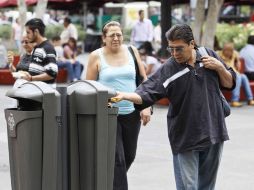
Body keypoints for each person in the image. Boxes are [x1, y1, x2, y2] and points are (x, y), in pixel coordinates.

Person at [112, 24, 236, 190]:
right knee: (188, 187)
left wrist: (220, 67)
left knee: (207, 186)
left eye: (179, 49)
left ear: (192, 44)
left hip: (214, 131)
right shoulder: (169, 68)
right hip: (186, 137)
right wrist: (124, 95)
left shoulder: (208, 55)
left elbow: (229, 83)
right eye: (171, 49)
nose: (175, 54)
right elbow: (146, 91)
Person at [86, 21, 151, 190]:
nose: (116, 38)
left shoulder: (132, 51)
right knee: (117, 160)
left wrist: (145, 106)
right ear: (104, 38)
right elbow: (89, 87)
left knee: (129, 155)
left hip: (131, 114)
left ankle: (106, 183)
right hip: (108, 114)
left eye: (119, 35)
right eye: (112, 35)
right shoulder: (96, 56)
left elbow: (144, 81)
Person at [22, 18, 58, 86]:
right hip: (34, 92)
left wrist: (32, 78)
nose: (26, 35)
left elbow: (52, 73)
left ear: (36, 32)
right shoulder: (37, 48)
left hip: (44, 94)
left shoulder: (47, 48)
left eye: (28, 32)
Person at [217, 42, 254, 107]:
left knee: (244, 76)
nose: (228, 52)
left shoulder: (234, 54)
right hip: (224, 75)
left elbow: (238, 65)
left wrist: (238, 61)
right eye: (226, 50)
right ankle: (234, 100)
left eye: (230, 51)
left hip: (233, 74)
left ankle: (250, 99)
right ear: (223, 50)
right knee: (238, 76)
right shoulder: (219, 55)